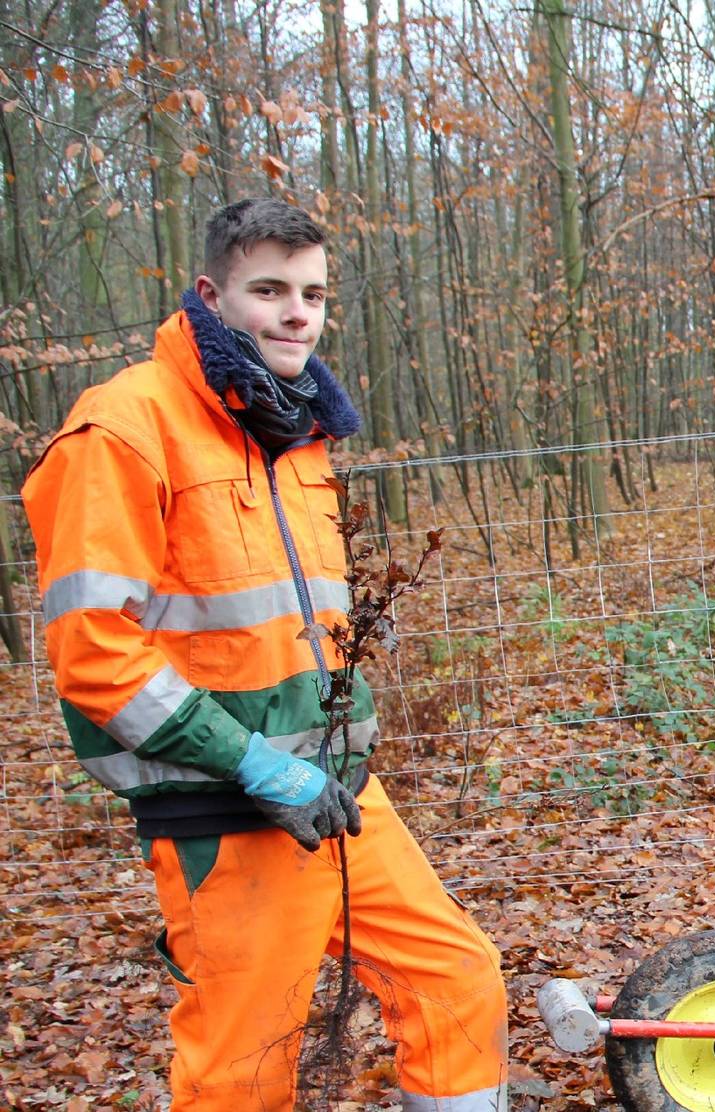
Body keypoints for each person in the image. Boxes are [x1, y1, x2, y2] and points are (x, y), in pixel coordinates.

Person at [23, 199, 508, 1109]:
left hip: (335, 788)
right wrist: (248, 762)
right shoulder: (125, 426)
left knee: (454, 979)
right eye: (271, 290)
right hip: (224, 805)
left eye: (315, 293)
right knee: (245, 1063)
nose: (298, 314)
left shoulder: (292, 435)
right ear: (211, 295)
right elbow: (93, 653)